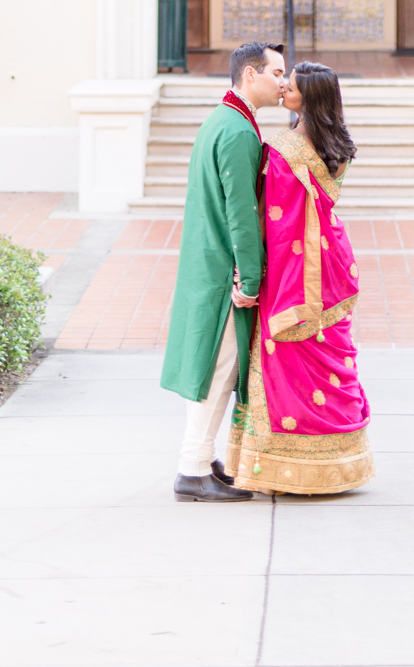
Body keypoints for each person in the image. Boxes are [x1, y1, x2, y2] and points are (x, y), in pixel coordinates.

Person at [225, 59, 374, 495]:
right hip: (330, 266)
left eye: (290, 85)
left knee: (286, 357)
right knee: (330, 353)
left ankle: (282, 465)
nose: (283, 89)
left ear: (308, 97)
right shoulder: (338, 144)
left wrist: (251, 273)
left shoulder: (282, 149)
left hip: (294, 268)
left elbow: (272, 221)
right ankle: (340, 461)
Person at [161, 38, 286, 501]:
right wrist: (250, 280)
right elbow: (242, 214)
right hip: (223, 273)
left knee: (216, 369)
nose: (284, 82)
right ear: (249, 75)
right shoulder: (236, 131)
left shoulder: (222, 120)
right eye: (276, 73)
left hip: (207, 264)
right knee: (219, 370)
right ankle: (191, 469)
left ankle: (200, 460)